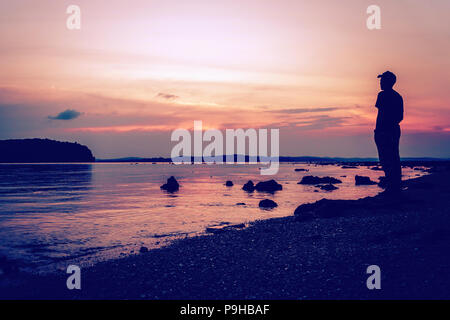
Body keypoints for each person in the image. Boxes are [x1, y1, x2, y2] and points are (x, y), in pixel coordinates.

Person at [374, 71, 404, 194]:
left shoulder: (382, 95)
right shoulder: (398, 96)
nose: (380, 83)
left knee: (386, 159)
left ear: (388, 82)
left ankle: (392, 187)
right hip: (392, 130)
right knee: (393, 157)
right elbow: (400, 117)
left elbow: (380, 115)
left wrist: (380, 130)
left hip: (385, 131)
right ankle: (395, 185)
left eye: (382, 80)